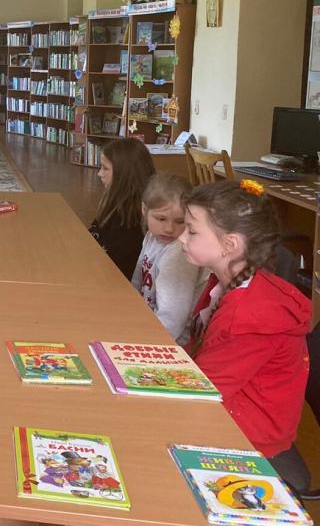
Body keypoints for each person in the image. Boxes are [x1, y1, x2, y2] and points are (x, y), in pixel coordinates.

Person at [181, 179, 311, 493]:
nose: (181, 237)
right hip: (233, 411)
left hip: (248, 435)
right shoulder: (227, 284)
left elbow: (205, 392)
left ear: (230, 245)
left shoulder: (246, 315)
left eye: (192, 231)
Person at [131, 173, 208, 345]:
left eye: (180, 221)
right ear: (144, 210)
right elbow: (137, 280)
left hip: (173, 341)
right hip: (150, 325)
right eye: (161, 219)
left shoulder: (179, 252)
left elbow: (172, 318)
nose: (169, 228)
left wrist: (147, 346)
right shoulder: (152, 236)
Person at [88, 137, 154, 276]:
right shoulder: (115, 202)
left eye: (105, 168)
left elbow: (113, 265)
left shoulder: (131, 220)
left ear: (125, 173)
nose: (99, 174)